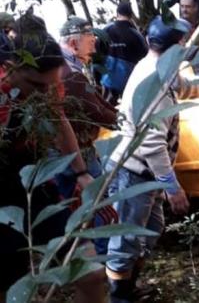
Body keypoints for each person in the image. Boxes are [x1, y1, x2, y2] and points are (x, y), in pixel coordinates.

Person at [105, 15, 199, 302]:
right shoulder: (154, 80)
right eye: (183, 43)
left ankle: (128, 288)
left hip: (147, 175)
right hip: (133, 173)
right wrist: (172, 187)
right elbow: (153, 144)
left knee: (150, 231)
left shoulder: (161, 69)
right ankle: (119, 297)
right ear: (176, 45)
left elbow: (190, 87)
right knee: (127, 240)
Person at [0, 15, 105, 302]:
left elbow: (58, 120)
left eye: (51, 86)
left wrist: (80, 172)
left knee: (92, 274)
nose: (46, 94)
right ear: (9, 69)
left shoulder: (50, 85)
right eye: (37, 85)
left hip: (35, 180)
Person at [58, 16, 119, 254]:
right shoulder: (69, 73)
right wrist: (122, 119)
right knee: (98, 205)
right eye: (89, 37)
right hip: (77, 153)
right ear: (74, 43)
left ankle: (86, 256)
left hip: (70, 151)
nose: (94, 42)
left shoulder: (68, 66)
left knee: (78, 207)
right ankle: (101, 258)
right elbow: (94, 109)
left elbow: (95, 103)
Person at [100, 3, 148, 105]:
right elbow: (146, 57)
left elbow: (96, 52)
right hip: (130, 82)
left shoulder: (106, 31)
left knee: (107, 110)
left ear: (117, 14)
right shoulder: (136, 34)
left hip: (108, 81)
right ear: (131, 15)